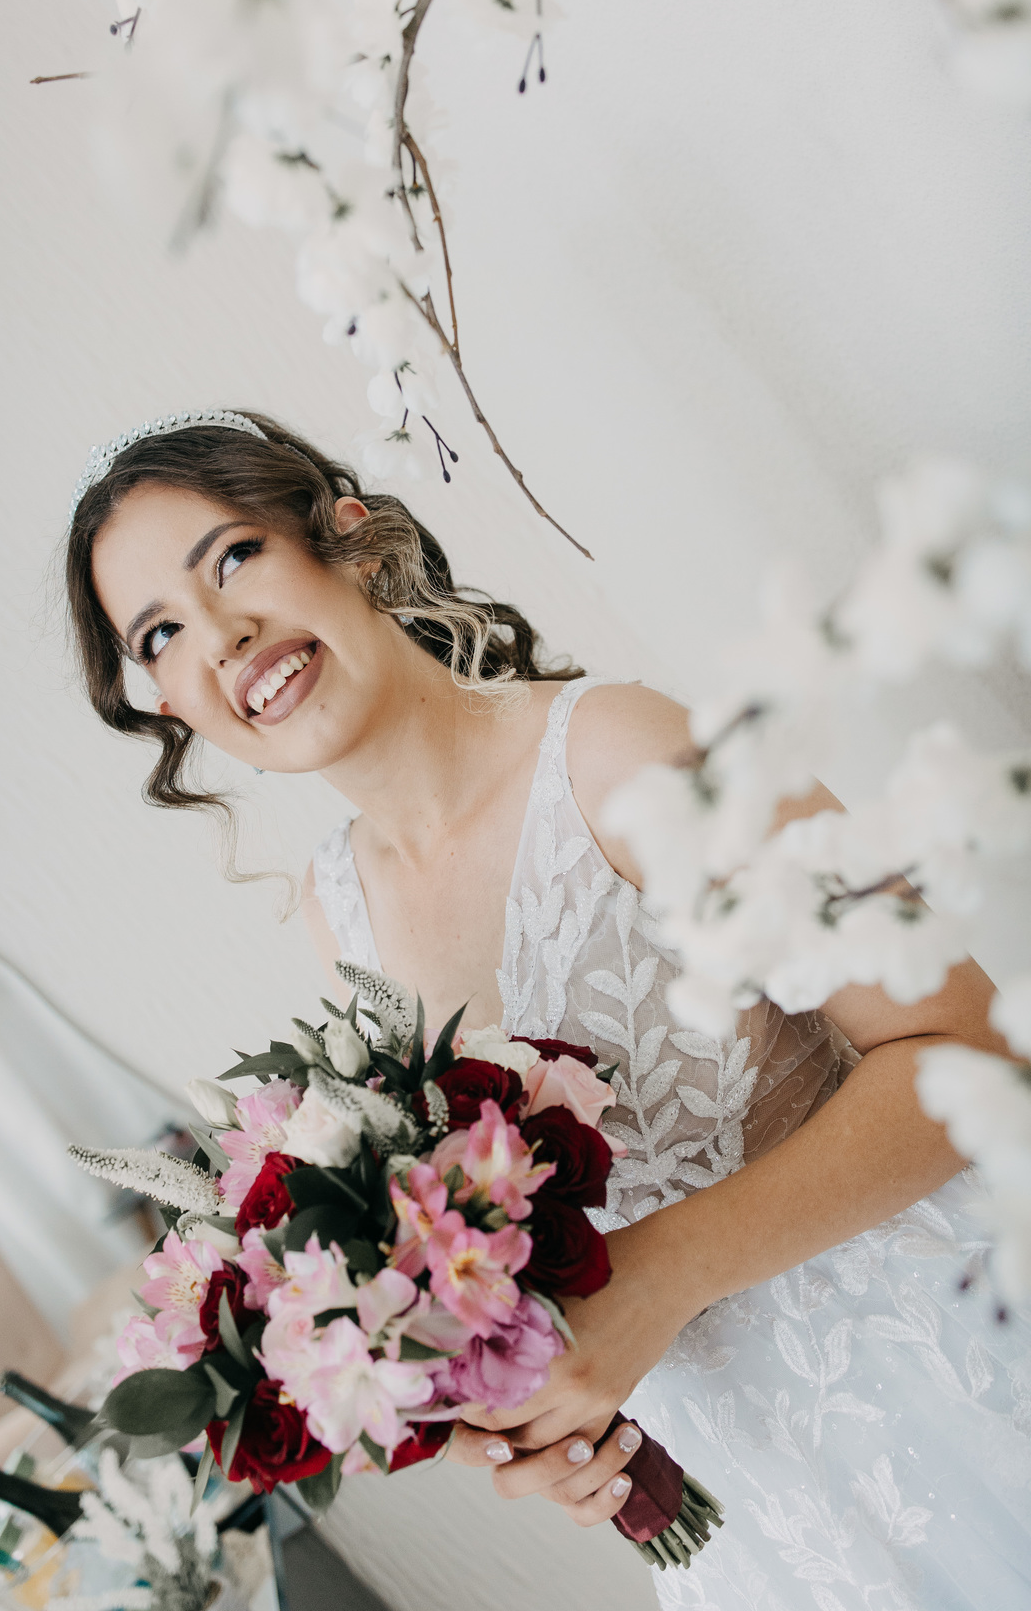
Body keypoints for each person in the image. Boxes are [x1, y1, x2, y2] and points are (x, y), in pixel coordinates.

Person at [67, 408, 1030, 1608]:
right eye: (160, 632)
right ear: (165, 703)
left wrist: (657, 1279)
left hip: (952, 1372)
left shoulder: (622, 751)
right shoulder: (340, 914)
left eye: (233, 558)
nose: (221, 636)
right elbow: (522, 1261)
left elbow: (973, 1048)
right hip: (770, 1515)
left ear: (347, 535)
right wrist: (525, 1401)